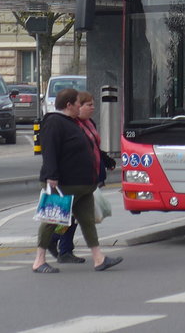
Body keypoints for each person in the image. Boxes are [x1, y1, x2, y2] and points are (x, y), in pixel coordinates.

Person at [32, 88, 122, 274]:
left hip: (82, 185)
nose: (80, 107)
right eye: (78, 104)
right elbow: (49, 152)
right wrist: (52, 176)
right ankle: (39, 261)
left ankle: (99, 259)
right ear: (69, 105)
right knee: (51, 220)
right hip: (62, 184)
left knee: (87, 221)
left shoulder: (73, 122)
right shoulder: (54, 122)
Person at [49, 90, 117, 264]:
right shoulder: (71, 125)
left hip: (91, 175)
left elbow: (92, 146)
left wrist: (105, 158)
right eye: (88, 105)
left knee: (75, 216)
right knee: (72, 216)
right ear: (75, 107)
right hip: (76, 178)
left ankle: (64, 247)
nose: (92, 108)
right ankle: (56, 241)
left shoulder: (89, 123)